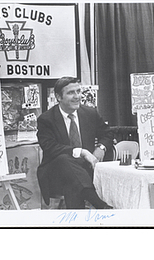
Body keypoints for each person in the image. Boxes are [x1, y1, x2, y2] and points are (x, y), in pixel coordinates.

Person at [37, 77, 114, 209]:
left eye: (78, 91)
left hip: (85, 170)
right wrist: (82, 152)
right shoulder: (46, 119)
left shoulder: (90, 113)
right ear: (58, 97)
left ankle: (77, 224)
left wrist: (101, 147)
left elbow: (107, 134)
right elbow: (50, 147)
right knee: (64, 160)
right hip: (56, 173)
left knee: (73, 183)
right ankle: (99, 204)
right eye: (71, 93)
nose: (77, 96)